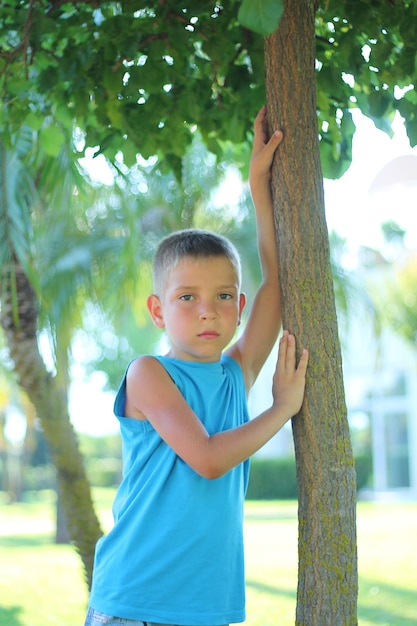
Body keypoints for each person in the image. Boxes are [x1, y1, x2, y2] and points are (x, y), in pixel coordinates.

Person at [84, 106, 309, 626]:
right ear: (158, 310)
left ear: (239, 307)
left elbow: (276, 281)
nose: (208, 309)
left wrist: (259, 186)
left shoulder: (235, 374)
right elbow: (207, 459)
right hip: (134, 606)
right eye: (187, 296)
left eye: (223, 296)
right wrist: (281, 410)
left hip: (206, 609)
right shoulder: (148, 374)